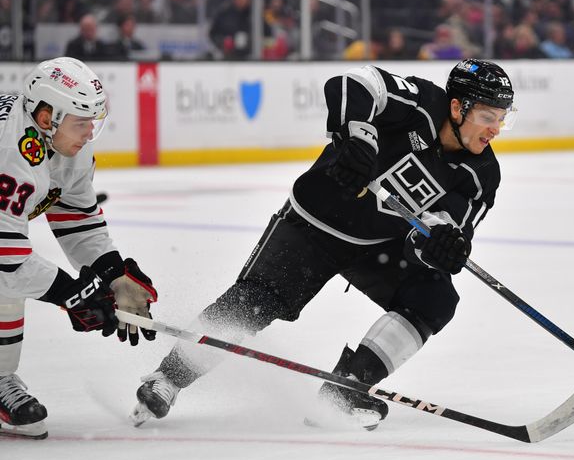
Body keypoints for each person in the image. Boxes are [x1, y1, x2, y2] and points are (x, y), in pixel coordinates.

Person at [131, 59, 516, 431]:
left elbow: (440, 232)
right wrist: (360, 136)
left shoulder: (482, 174)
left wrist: (438, 248)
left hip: (377, 245)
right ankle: (167, 379)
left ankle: (344, 390)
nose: (495, 129)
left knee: (435, 298)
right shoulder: (421, 104)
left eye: (502, 118)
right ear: (456, 107)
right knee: (255, 302)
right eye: (487, 117)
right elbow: (354, 83)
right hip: (313, 223)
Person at [0, 57, 158, 439]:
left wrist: (113, 272)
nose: (89, 133)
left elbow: (77, 219)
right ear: (45, 116)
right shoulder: (10, 148)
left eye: (93, 122)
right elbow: (6, 258)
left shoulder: (65, 145)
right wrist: (73, 294)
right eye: (81, 122)